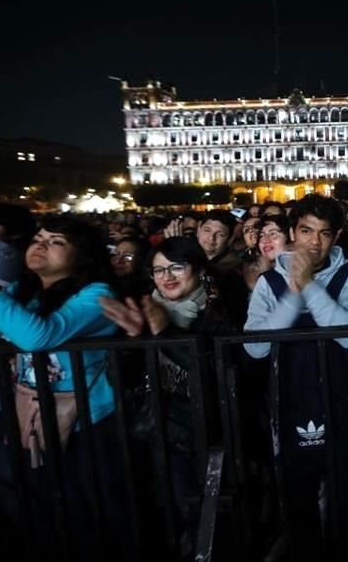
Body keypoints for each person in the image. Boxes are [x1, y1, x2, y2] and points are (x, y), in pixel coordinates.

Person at [243, 196, 348, 559]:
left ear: (337, 236)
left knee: (344, 495)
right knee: (298, 495)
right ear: (292, 232)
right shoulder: (268, 281)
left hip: (342, 400)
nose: (315, 242)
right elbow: (255, 348)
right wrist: (293, 295)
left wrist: (308, 285)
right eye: (307, 231)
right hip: (289, 403)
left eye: (325, 234)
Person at [100, 236, 240, 556]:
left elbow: (214, 370)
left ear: (199, 270)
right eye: (158, 270)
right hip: (154, 431)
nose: (167, 277)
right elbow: (118, 378)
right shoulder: (146, 310)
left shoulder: (219, 310)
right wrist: (132, 341)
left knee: (204, 517)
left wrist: (165, 333)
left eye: (177, 267)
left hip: (203, 434)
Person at [0, 216, 125, 556]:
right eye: (38, 237)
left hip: (87, 420)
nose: (41, 244)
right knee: (33, 506)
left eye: (56, 241)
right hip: (31, 414)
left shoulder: (97, 294)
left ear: (81, 255)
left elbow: (39, 336)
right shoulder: (23, 290)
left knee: (87, 509)